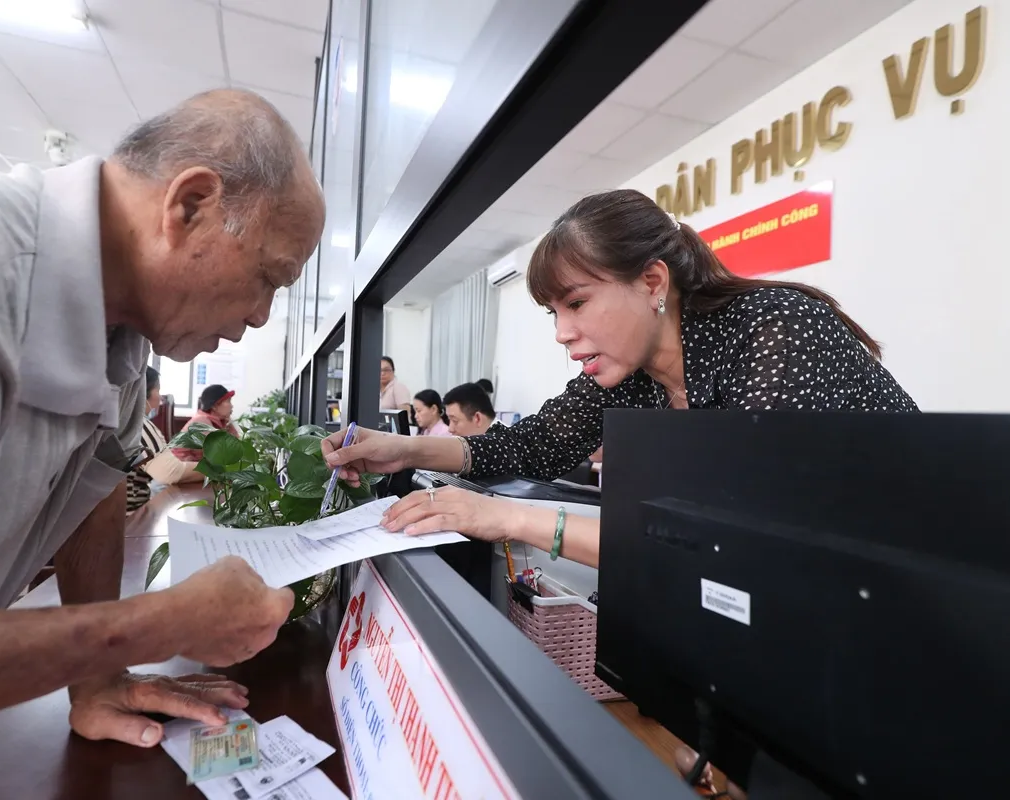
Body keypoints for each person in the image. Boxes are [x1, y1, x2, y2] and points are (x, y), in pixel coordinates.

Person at [0, 88, 324, 763]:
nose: (265, 316)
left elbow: (92, 492)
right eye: (270, 277)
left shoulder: (120, 340)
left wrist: (96, 678)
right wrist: (154, 626)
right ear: (191, 206)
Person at [323, 188, 917, 569]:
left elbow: (739, 542)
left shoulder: (774, 330)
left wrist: (507, 518)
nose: (561, 332)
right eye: (553, 313)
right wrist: (400, 450)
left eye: (576, 303)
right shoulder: (633, 372)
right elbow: (532, 444)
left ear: (652, 283)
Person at [127, 367, 203, 512]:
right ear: (143, 391)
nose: (161, 398)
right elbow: (171, 472)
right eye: (158, 390)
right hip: (131, 518)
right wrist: (220, 470)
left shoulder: (124, 419)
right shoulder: (138, 424)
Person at [172, 384, 241, 462]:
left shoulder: (220, 420)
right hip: (182, 465)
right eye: (228, 401)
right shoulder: (201, 421)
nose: (232, 406)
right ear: (214, 406)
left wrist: (229, 424)